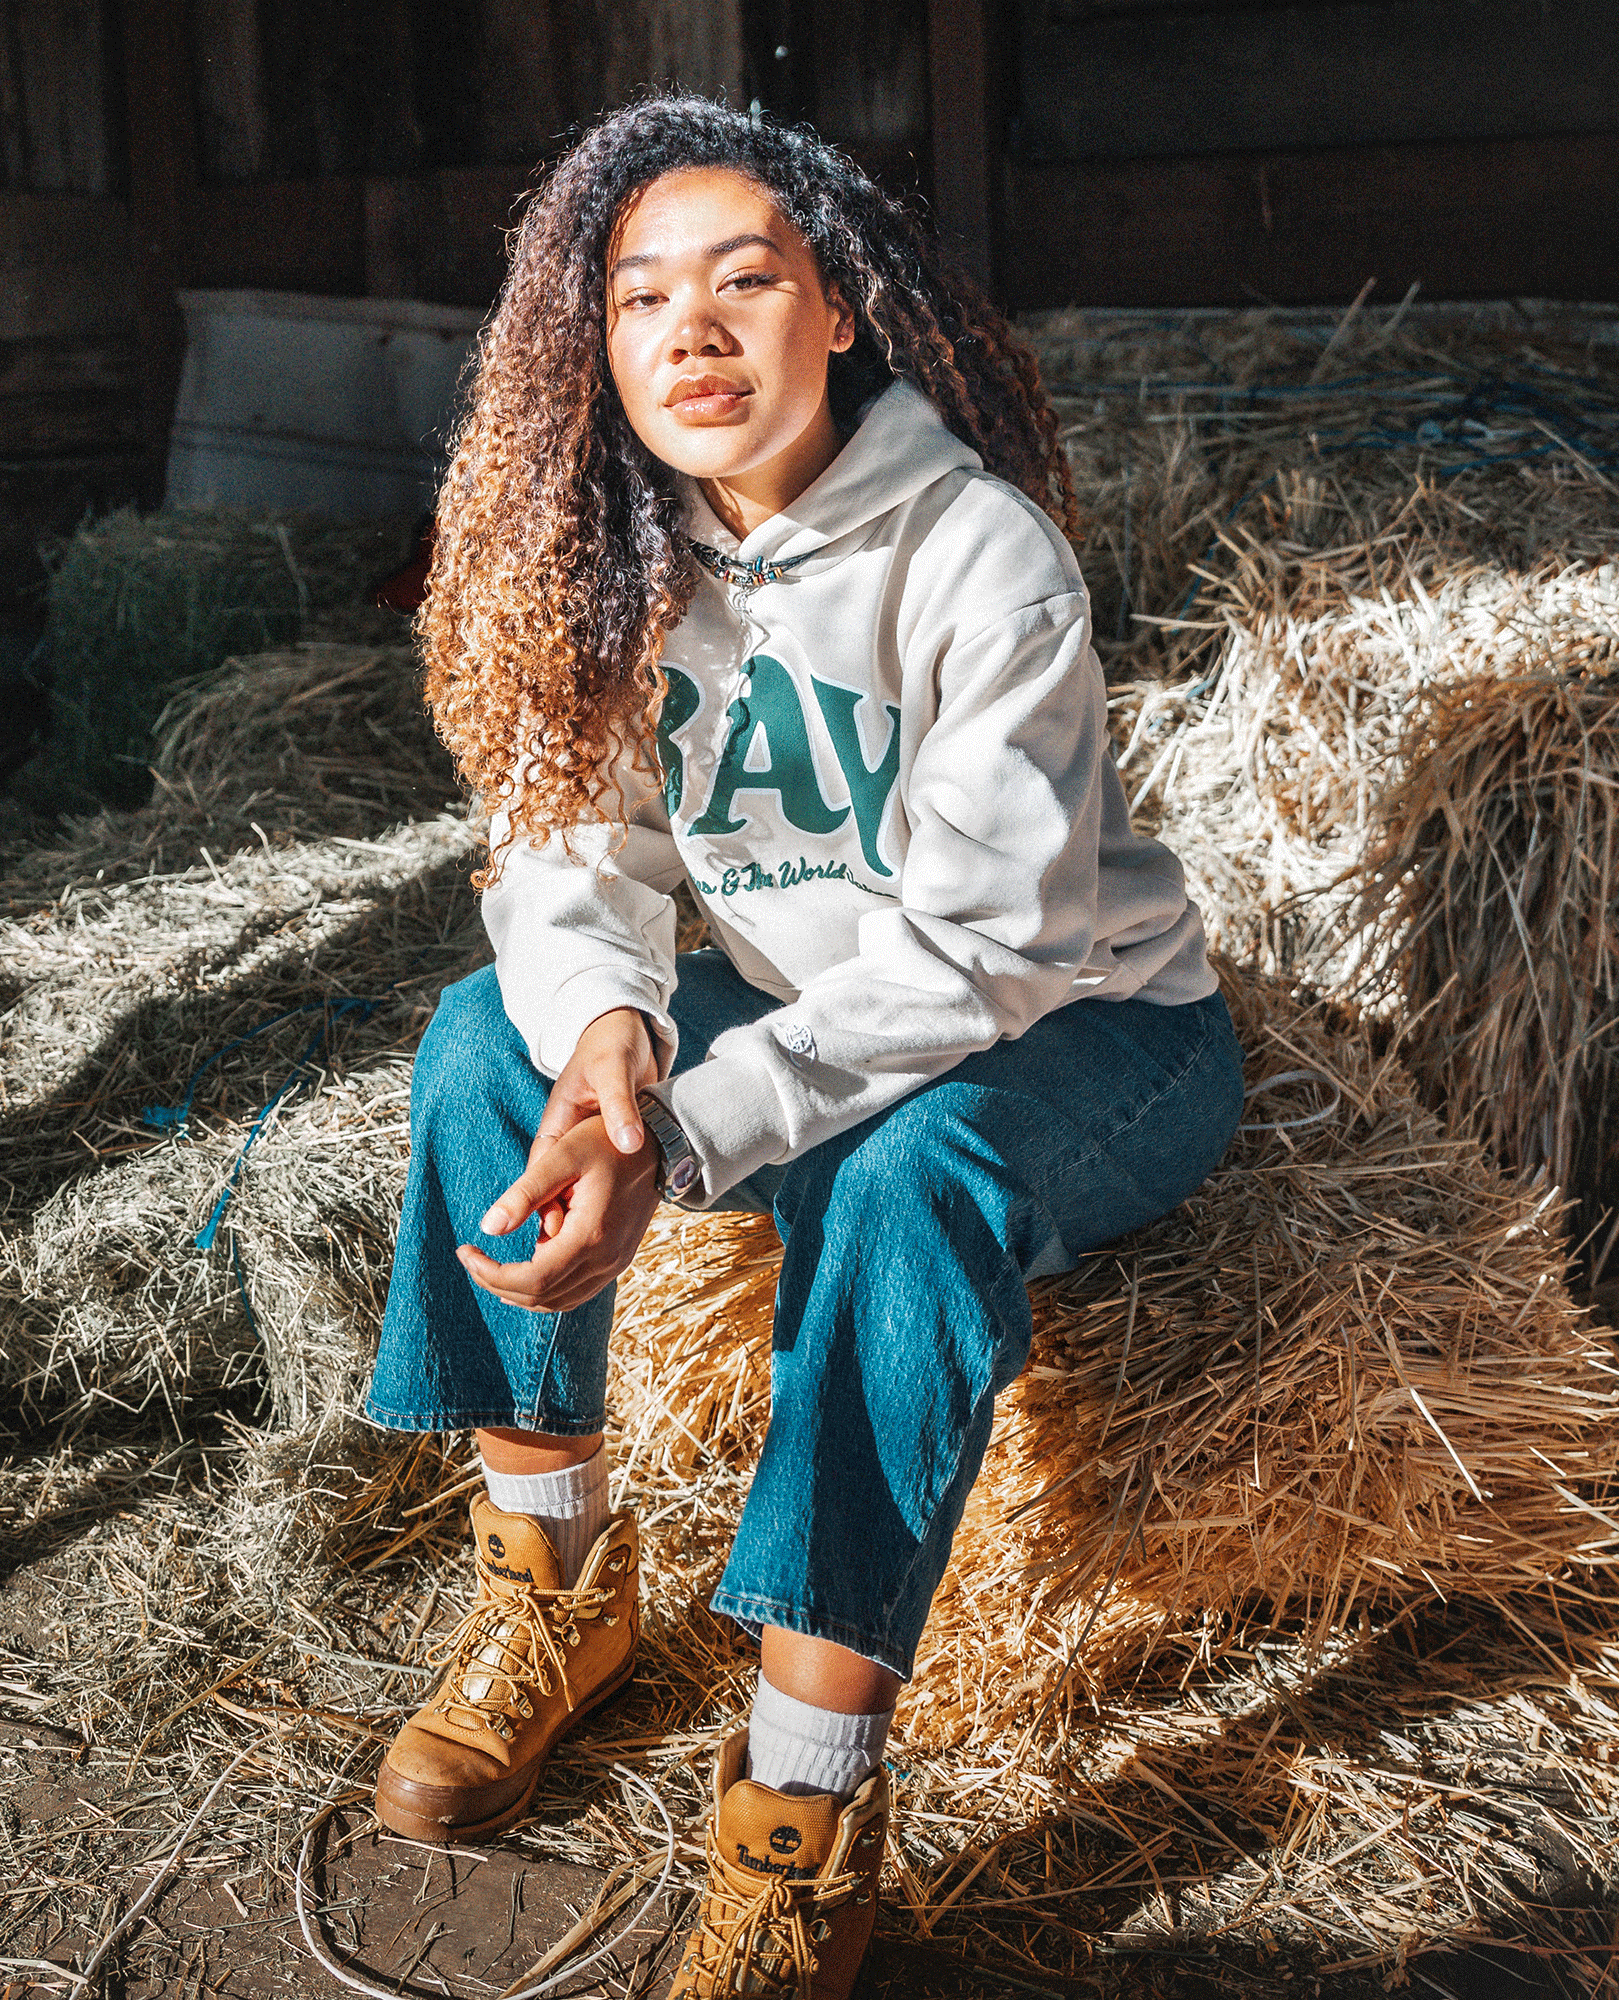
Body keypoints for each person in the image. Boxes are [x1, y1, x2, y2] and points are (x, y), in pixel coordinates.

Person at [361, 95, 1241, 1998]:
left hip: (1086, 1028)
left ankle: (804, 1801)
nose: (688, 329)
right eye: (637, 296)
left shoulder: (974, 551)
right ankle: (551, 1588)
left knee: (906, 1176)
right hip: (789, 991)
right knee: (476, 1048)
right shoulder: (607, 557)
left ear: (838, 309)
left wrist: (685, 1139)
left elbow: (985, 949)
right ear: (587, 347)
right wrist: (609, 1044)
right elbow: (569, 849)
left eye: (743, 281)